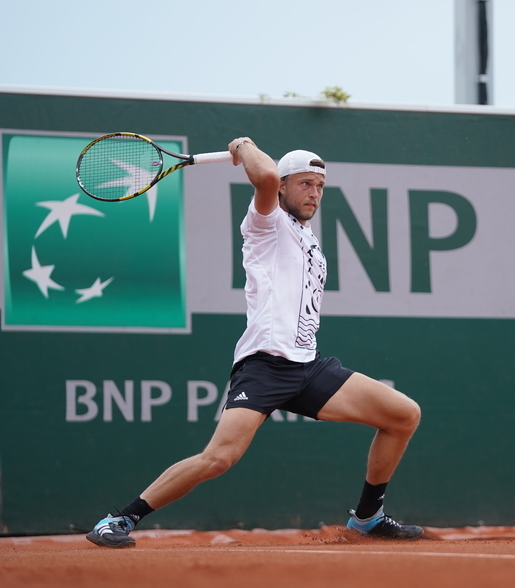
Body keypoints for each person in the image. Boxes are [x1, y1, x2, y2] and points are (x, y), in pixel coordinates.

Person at [87, 138, 423, 548]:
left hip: (309, 366)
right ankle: (118, 520)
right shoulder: (266, 224)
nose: (314, 193)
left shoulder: (308, 238)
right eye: (304, 183)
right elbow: (263, 174)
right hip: (265, 365)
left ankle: (368, 517)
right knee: (218, 459)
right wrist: (244, 144)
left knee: (403, 415)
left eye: (319, 185)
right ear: (281, 187)